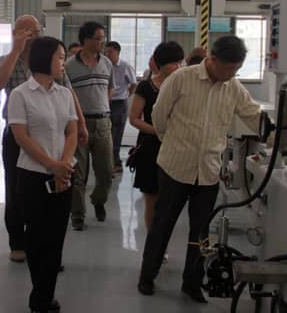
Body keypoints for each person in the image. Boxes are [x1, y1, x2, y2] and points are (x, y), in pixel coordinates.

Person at [137, 36, 262, 304]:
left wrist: (277, 135)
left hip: (208, 171)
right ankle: (147, 276)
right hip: (175, 167)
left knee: (201, 231)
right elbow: (158, 115)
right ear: (212, 60)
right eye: (228, 69)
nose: (231, 75)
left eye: (236, 70)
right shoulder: (181, 79)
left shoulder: (233, 87)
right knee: (162, 224)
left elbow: (253, 115)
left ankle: (192, 283)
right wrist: (172, 141)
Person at [0, 15, 88, 263]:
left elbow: (69, 92)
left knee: (53, 188)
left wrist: (81, 123)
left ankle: (47, 246)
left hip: (51, 133)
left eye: (36, 30)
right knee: (16, 191)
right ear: (15, 32)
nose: (33, 34)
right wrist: (16, 50)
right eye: (27, 30)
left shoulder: (51, 62)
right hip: (19, 135)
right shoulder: (7, 59)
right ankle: (18, 242)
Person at [8, 36, 77, 313]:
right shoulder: (21, 94)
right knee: (36, 239)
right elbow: (21, 137)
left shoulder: (64, 94)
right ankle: (41, 295)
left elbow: (72, 131)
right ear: (44, 59)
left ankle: (44, 297)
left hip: (64, 174)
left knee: (56, 238)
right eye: (60, 57)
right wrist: (52, 165)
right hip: (33, 176)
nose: (63, 63)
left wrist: (63, 165)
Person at [130, 41, 184, 231]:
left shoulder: (183, 86)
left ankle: (162, 238)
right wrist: (159, 131)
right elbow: (134, 119)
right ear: (161, 63)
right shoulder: (146, 87)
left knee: (169, 199)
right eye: (173, 63)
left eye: (180, 62)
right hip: (150, 148)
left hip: (176, 148)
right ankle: (153, 240)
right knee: (152, 198)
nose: (178, 67)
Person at [65, 21, 114, 231]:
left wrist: (102, 108)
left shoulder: (107, 63)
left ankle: (98, 200)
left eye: (103, 38)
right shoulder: (69, 66)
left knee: (106, 171)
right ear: (86, 40)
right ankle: (77, 214)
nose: (103, 42)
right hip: (78, 124)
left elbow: (110, 89)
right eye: (99, 38)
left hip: (103, 123)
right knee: (78, 172)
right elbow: (66, 96)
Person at [104, 41, 137, 174]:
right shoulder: (104, 65)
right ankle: (108, 162)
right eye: (105, 52)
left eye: (110, 52)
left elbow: (133, 83)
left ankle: (116, 163)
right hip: (106, 102)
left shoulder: (125, 66)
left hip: (119, 103)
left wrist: (127, 95)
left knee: (117, 133)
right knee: (106, 133)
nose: (107, 54)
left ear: (118, 52)